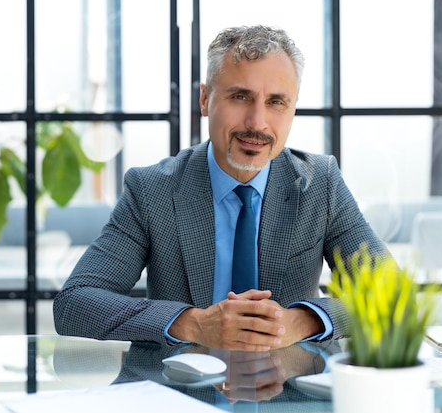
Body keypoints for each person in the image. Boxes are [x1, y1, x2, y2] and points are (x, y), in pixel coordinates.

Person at [53, 24, 389, 351]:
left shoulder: (321, 184)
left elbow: (391, 294)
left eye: (276, 102)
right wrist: (195, 324)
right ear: (204, 99)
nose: (257, 123)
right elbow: (75, 303)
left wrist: (301, 321)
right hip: (181, 394)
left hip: (290, 392)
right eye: (240, 96)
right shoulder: (151, 190)